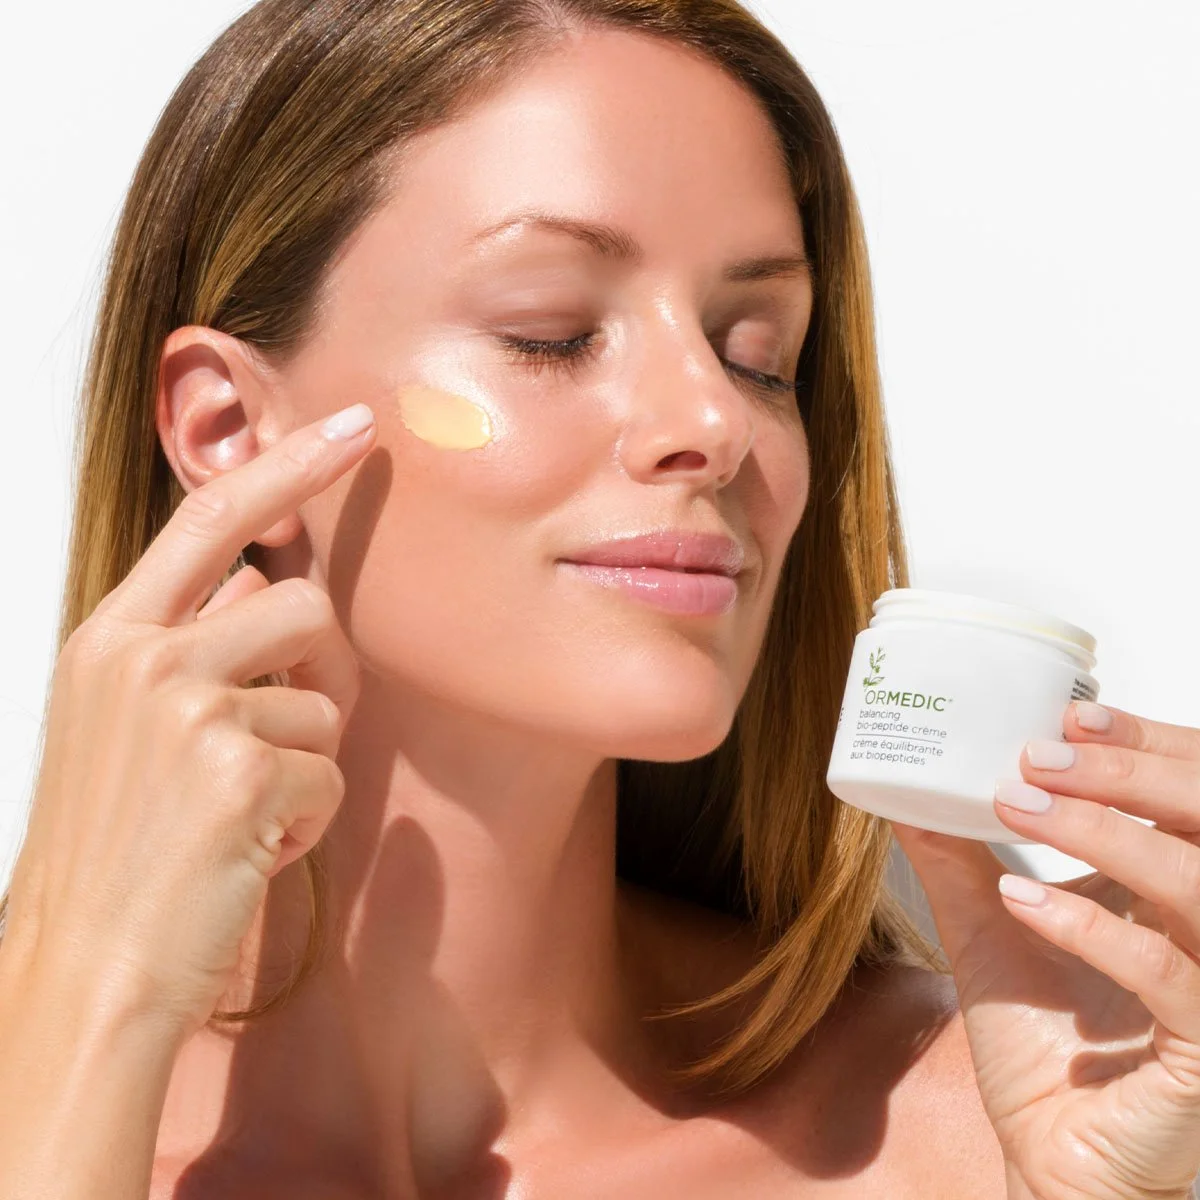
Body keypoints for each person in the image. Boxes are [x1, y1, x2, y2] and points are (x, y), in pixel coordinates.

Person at [2, 2, 1198, 1197]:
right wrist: (85, 1015)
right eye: (553, 332)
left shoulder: (984, 1137)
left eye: (755, 354)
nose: (714, 424)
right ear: (226, 429)